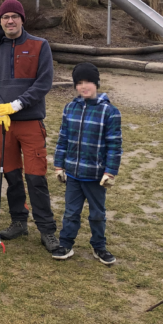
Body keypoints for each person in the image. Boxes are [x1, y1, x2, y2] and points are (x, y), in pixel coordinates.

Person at [0, 0, 60, 252]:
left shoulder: (40, 45)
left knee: (36, 177)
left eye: (15, 16)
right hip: (3, 125)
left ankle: (47, 230)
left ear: (22, 20)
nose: (10, 20)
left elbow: (44, 82)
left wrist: (17, 104)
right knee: (12, 176)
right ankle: (18, 221)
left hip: (30, 122)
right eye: (5, 17)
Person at [52, 63, 122, 265]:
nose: (84, 87)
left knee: (97, 214)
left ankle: (99, 246)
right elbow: (63, 139)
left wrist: (110, 171)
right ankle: (65, 244)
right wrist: (59, 165)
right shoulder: (70, 108)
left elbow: (114, 146)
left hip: (95, 176)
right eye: (79, 83)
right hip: (73, 173)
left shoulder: (110, 112)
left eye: (88, 82)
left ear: (96, 83)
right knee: (71, 212)